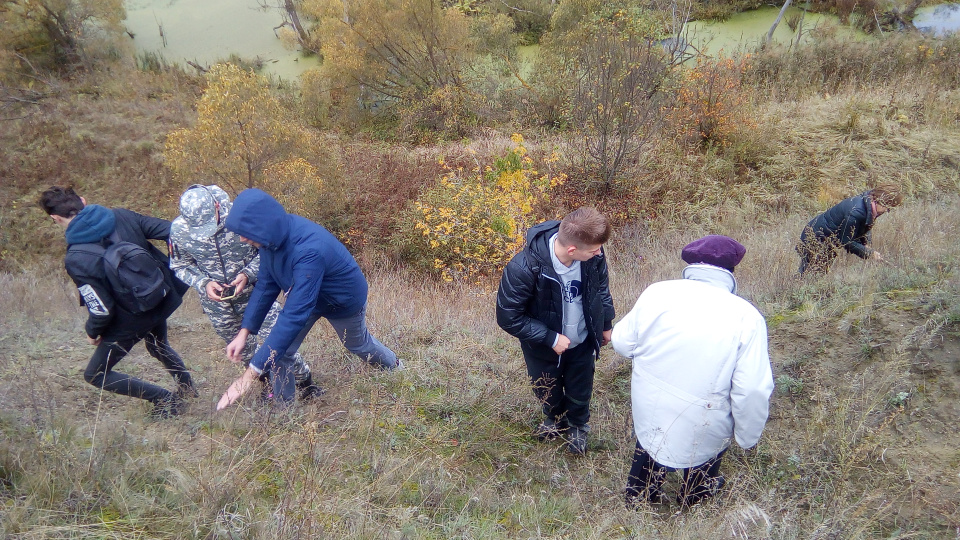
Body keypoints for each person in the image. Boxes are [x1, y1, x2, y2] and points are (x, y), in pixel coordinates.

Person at [611, 235, 774, 508]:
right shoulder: (748, 317)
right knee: (703, 454)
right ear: (730, 271)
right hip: (705, 419)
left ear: (692, 264)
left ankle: (639, 496)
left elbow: (622, 342)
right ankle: (693, 502)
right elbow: (753, 389)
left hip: (649, 404)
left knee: (652, 441)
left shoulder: (657, 292)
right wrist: (747, 437)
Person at [215, 188, 401, 411]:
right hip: (304, 296)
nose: (242, 238)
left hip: (341, 300)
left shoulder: (308, 250)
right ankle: (283, 412)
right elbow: (266, 284)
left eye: (246, 232)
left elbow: (293, 316)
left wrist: (249, 375)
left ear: (262, 224)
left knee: (358, 344)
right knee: (280, 352)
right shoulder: (269, 241)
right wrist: (244, 332)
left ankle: (396, 368)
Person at [40, 186, 196, 418]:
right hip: (162, 295)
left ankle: (165, 399)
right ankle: (188, 388)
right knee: (157, 344)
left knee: (95, 374)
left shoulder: (76, 258)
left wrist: (93, 332)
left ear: (55, 218)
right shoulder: (122, 216)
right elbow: (174, 231)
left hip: (132, 318)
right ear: (83, 201)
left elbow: (101, 309)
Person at [169, 185, 322, 401]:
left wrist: (248, 274)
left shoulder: (240, 218)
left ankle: (306, 382)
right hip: (218, 306)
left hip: (256, 295)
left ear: (216, 206)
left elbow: (270, 248)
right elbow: (179, 265)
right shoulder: (179, 231)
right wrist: (203, 283)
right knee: (243, 350)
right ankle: (268, 386)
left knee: (278, 343)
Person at [495, 207, 615, 455]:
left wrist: (605, 324)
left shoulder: (593, 259)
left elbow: (601, 289)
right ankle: (555, 418)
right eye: (593, 250)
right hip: (542, 348)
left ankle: (578, 426)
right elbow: (508, 316)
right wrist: (550, 337)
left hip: (582, 340)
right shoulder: (523, 268)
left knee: (580, 385)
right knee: (545, 387)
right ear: (572, 250)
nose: (599, 253)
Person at [796, 184, 903, 276]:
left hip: (828, 240)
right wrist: (869, 253)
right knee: (809, 275)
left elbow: (865, 225)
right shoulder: (856, 212)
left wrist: (866, 243)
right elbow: (847, 242)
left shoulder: (867, 203)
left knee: (817, 274)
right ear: (882, 201)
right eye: (887, 208)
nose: (886, 211)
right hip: (815, 238)